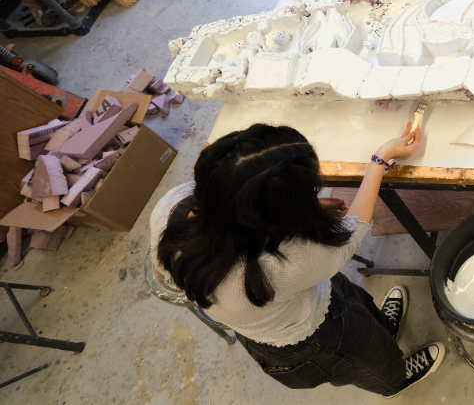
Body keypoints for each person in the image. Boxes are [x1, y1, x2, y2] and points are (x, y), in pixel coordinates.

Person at [149, 122, 443, 398]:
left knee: (360, 309)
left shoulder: (172, 207)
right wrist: (381, 159)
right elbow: (351, 233)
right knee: (371, 360)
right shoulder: (285, 265)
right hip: (311, 338)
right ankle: (396, 380)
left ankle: (384, 329)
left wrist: (300, 207)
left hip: (293, 301)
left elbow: (243, 203)